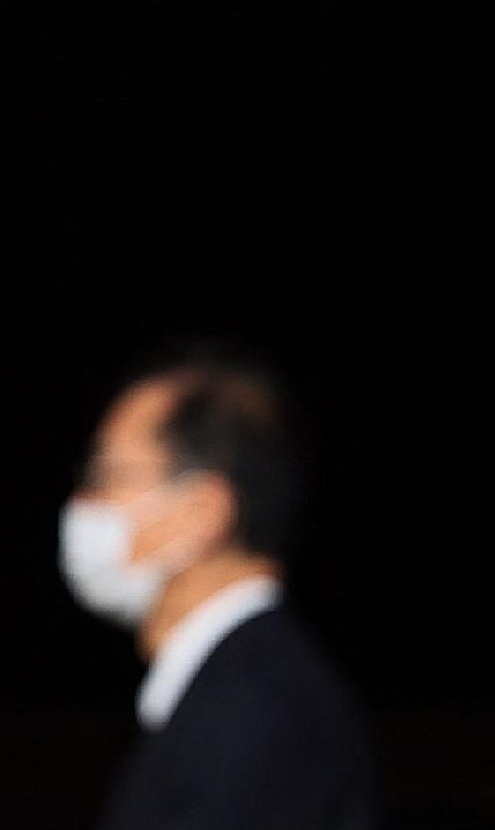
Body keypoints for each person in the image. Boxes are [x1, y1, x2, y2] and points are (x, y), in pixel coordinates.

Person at [60, 344, 379, 829]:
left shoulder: (251, 716)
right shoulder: (238, 691)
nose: (85, 503)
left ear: (202, 513)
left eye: (109, 474)